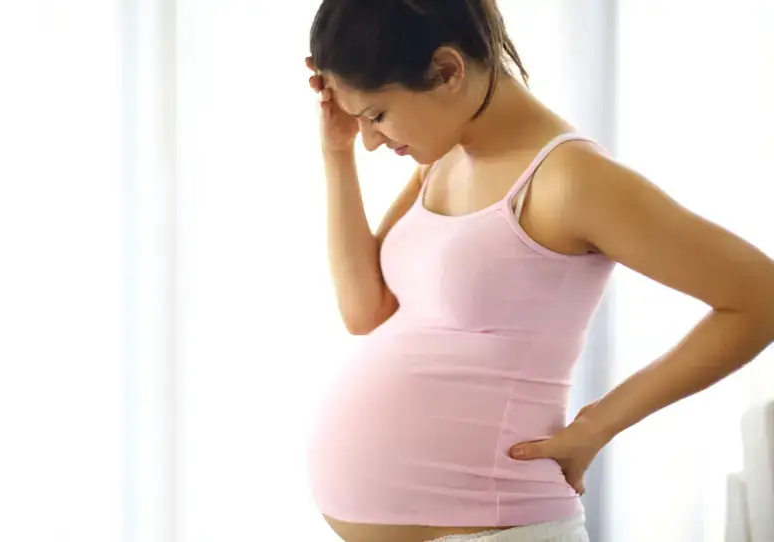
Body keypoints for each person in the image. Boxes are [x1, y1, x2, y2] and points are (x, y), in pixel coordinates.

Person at [303, 1, 774, 541]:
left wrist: (598, 424)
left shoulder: (569, 180)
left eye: (376, 116)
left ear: (448, 70)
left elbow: (759, 295)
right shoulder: (444, 160)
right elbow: (364, 310)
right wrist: (336, 154)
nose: (370, 139)